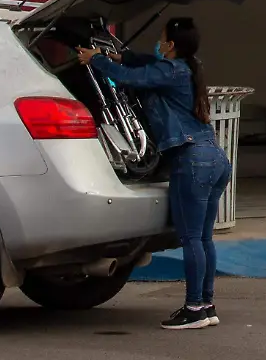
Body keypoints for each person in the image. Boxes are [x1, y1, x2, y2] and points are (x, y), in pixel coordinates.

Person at [77, 17, 231, 330]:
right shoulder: (185, 67)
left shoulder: (169, 71)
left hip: (192, 160)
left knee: (191, 239)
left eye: (162, 39)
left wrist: (97, 60)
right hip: (213, 156)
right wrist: (122, 56)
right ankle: (206, 305)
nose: (158, 44)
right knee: (203, 238)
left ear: (171, 45)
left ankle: (193, 308)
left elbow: (130, 78)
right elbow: (144, 64)